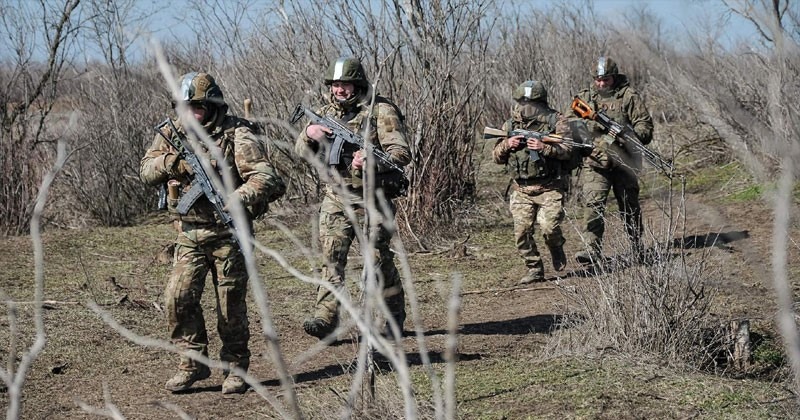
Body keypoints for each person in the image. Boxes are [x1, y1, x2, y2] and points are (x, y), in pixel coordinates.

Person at [140, 72, 285, 394]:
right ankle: (191, 363)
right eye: (183, 107)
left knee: (229, 307)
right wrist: (174, 163)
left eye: (197, 107)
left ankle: (236, 368)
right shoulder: (170, 133)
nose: (190, 114)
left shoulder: (236, 133)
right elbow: (146, 172)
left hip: (229, 235)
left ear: (212, 105)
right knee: (177, 298)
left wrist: (237, 199)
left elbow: (268, 178)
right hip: (189, 233)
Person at [294, 57, 411, 340]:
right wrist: (309, 134)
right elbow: (301, 151)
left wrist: (373, 160)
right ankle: (326, 317)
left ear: (357, 84)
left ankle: (393, 316)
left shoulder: (380, 111)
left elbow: (401, 153)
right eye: (335, 84)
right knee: (331, 258)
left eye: (345, 84)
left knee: (377, 260)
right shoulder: (324, 113)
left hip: (373, 197)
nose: (340, 90)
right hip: (336, 196)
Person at [567, 56, 653, 265]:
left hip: (625, 162)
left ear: (614, 78)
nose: (601, 83)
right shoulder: (585, 98)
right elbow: (570, 122)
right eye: (598, 79)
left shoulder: (628, 96)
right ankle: (591, 249)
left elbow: (645, 126)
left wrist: (632, 134)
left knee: (629, 205)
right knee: (593, 203)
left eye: (606, 79)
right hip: (596, 161)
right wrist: (590, 132)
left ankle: (636, 246)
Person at [491, 80, 574, 284]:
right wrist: (506, 145)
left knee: (549, 227)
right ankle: (534, 268)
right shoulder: (510, 124)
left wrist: (543, 147)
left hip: (550, 187)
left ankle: (556, 247)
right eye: (522, 101)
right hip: (522, 189)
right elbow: (496, 157)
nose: (526, 106)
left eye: (531, 102)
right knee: (522, 233)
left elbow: (568, 151)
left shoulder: (557, 121)